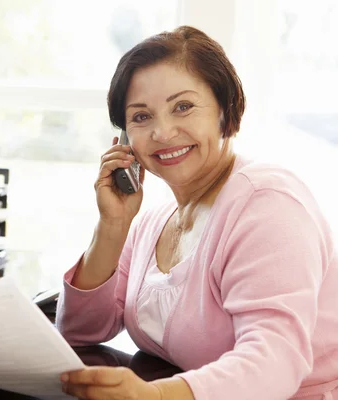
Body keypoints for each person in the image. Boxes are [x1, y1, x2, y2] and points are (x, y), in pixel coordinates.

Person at [56, 26, 338, 400]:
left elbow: (276, 360)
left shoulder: (268, 203)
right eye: (141, 117)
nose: (163, 132)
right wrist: (113, 224)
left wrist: (154, 396)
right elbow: (79, 332)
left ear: (225, 108)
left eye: (183, 107)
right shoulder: (156, 220)